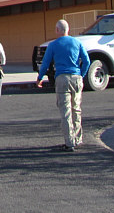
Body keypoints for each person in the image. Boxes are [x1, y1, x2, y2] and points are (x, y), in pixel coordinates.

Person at [37, 19, 91, 152]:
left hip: (62, 78)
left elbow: (45, 63)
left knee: (66, 112)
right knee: (76, 109)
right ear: (68, 29)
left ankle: (69, 141)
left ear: (57, 30)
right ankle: (78, 138)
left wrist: (40, 77)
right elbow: (86, 61)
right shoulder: (77, 42)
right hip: (76, 77)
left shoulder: (53, 45)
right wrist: (81, 75)